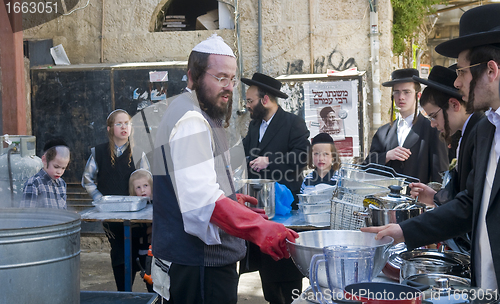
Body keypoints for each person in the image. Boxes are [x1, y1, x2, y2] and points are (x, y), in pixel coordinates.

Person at [151, 34, 298, 304]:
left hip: (193, 265)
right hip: (198, 268)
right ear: (193, 76)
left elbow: (187, 186)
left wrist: (232, 200)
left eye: (231, 79)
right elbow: (202, 202)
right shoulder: (192, 120)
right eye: (220, 78)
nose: (228, 87)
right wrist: (259, 228)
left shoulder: (200, 113)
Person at [362, 3, 500, 290]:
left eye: (462, 72)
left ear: (491, 70)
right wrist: (403, 230)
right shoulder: (488, 128)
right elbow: (470, 205)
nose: (458, 82)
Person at [241, 72, 309, 304]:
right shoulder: (254, 126)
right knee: (267, 276)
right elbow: (242, 153)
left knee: (287, 278)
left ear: (265, 99)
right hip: (260, 209)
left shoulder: (293, 123)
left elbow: (302, 157)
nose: (247, 105)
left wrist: (269, 160)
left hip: (284, 210)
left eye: (250, 101)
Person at [82, 109, 150, 291]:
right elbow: (87, 180)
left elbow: (148, 179)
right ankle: (124, 293)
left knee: (141, 251)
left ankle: (151, 293)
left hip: (138, 215)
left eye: (126, 123)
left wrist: (143, 201)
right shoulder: (99, 153)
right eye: (118, 124)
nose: (123, 127)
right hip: (111, 216)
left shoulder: (138, 152)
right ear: (110, 128)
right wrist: (100, 201)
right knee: (120, 251)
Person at [409, 66, 484, 209]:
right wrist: (435, 197)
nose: (432, 124)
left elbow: (469, 203)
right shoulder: (467, 133)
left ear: (454, 104)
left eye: (434, 116)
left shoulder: (479, 133)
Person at [364, 69, 449, 185]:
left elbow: (440, 175)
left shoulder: (432, 130)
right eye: (397, 92)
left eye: (406, 92)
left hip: (418, 201)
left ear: (417, 95)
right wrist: (387, 156)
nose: (401, 97)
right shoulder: (383, 132)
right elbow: (366, 168)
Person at [20, 139, 70, 209]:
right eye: (56, 167)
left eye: (63, 168)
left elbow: (64, 211)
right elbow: (27, 214)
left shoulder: (62, 184)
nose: (59, 172)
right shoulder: (34, 183)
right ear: (44, 160)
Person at [129, 168, 154, 292]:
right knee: (149, 282)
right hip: (144, 253)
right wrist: (149, 230)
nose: (142, 190)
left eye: (145, 185)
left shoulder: (159, 204)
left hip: (160, 253)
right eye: (138, 187)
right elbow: (132, 232)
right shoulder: (134, 208)